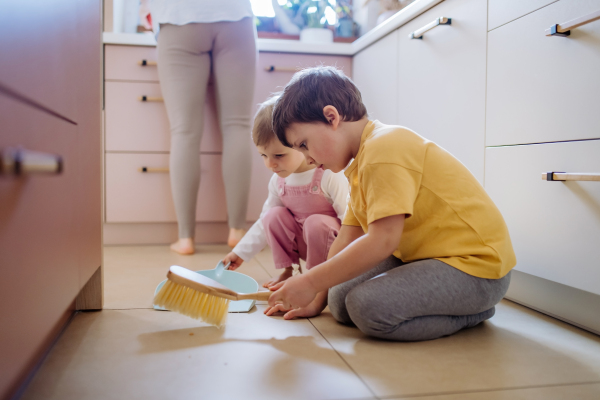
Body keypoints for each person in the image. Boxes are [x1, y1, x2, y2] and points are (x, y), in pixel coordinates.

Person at [266, 66, 517, 341]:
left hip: (476, 268)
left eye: (304, 144)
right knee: (338, 300)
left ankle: (476, 311)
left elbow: (382, 241)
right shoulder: (359, 163)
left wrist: (309, 281)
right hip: (428, 256)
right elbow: (349, 236)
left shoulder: (383, 149)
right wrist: (316, 295)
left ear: (331, 117)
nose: (307, 159)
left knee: (367, 309)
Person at [140, 0, 257, 254]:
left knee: (184, 132)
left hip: (178, 17)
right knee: (237, 126)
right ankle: (237, 230)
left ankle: (186, 239)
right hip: (234, 16)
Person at [222, 95, 349, 303]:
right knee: (273, 215)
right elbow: (264, 224)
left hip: (330, 249)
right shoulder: (278, 181)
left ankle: (314, 278)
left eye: (279, 155)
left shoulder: (328, 174)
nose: (270, 164)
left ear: (302, 144)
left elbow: (350, 221)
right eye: (263, 155)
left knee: (317, 222)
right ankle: (288, 271)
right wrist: (240, 253)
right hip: (304, 243)